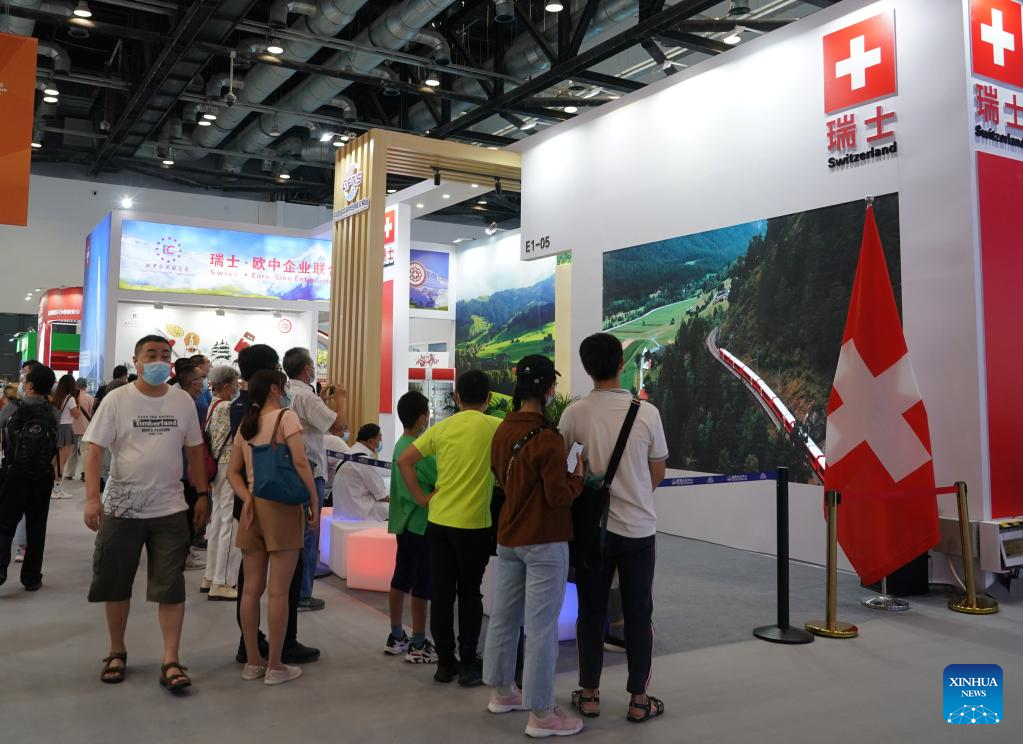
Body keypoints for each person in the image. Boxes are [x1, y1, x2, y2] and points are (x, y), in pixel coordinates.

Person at [82, 335, 210, 691]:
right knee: (115, 583)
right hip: (121, 508)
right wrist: (92, 499)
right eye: (150, 354)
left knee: (171, 587)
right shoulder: (117, 400)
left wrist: (203, 494)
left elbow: (195, 451)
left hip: (170, 508)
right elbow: (94, 450)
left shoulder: (182, 401)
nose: (158, 360)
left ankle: (171, 659)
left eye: (165, 355)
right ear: (136, 361)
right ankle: (116, 651)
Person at [558, 333, 668, 724]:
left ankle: (589, 695)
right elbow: (658, 470)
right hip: (639, 531)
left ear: (587, 368)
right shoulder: (647, 413)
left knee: (591, 612)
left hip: (593, 533)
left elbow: (564, 469)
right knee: (639, 613)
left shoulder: (574, 414)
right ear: (621, 364)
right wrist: (635, 495)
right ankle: (639, 699)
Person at [484, 355, 585, 737]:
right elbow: (558, 497)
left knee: (505, 617)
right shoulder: (548, 438)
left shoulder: (502, 431)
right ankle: (542, 714)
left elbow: (500, 477)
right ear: (548, 389)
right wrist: (578, 476)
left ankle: (502, 692)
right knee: (541, 627)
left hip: (508, 536)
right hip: (544, 539)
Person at [397, 369, 501, 687]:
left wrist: (422, 498)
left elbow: (404, 461)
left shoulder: (442, 428)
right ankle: (468, 664)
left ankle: (444, 664)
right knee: (470, 593)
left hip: (439, 522)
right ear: (489, 398)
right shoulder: (497, 427)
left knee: (442, 594)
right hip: (475, 525)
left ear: (456, 397)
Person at [227, 369, 319, 686]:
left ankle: (253, 662)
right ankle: (276, 665)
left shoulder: (247, 424)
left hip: (252, 509)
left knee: (250, 590)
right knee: (279, 591)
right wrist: (313, 498)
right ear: (275, 389)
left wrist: (246, 498)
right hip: (281, 508)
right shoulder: (285, 418)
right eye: (284, 386)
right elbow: (300, 462)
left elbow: (233, 473)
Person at [283, 346, 347, 612]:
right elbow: (339, 426)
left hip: (287, 470)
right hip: (311, 470)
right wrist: (341, 399)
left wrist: (321, 399)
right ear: (308, 369)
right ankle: (303, 595)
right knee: (310, 532)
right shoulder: (308, 398)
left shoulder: (286, 392)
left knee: (291, 533)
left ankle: (289, 591)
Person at [386, 391, 438, 663]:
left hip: (403, 523)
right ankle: (418, 642)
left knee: (401, 577)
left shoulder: (399, 445)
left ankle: (396, 634)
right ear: (421, 419)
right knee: (422, 583)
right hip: (421, 523)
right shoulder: (420, 451)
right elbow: (441, 477)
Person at [0, 364, 59, 591]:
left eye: (25, 380)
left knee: (5, 523)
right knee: (36, 527)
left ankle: (0, 568)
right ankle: (32, 578)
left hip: (14, 475)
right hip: (42, 477)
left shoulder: (12, 408)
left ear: (30, 385)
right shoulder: (52, 412)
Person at [201, 365, 242, 600]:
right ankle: (222, 581)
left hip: (217, 468)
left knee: (217, 520)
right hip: (229, 466)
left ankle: (210, 575)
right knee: (229, 520)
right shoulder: (229, 408)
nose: (237, 388)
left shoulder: (213, 406)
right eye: (235, 384)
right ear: (227, 386)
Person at [176, 364, 208, 570]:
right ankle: (184, 554)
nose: (204, 383)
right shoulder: (193, 404)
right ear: (194, 383)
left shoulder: (180, 400)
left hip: (183, 467)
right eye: (201, 379)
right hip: (187, 468)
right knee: (187, 514)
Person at [333, 424, 389, 522]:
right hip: (358, 513)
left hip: (341, 511)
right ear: (370, 441)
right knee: (395, 509)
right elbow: (381, 496)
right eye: (379, 439)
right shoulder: (365, 461)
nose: (381, 443)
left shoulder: (347, 455)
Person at [50, 373, 80, 499]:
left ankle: (53, 488)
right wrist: (78, 402)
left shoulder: (57, 397)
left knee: (54, 462)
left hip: (57, 429)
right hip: (66, 429)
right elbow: (77, 415)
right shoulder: (70, 399)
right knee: (61, 462)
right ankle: (57, 490)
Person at [65, 378, 95, 482]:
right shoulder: (89, 398)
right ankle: (84, 473)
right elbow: (92, 413)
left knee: (71, 451)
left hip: (71, 427)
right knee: (85, 451)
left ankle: (68, 473)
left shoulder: (70, 398)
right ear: (85, 386)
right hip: (85, 428)